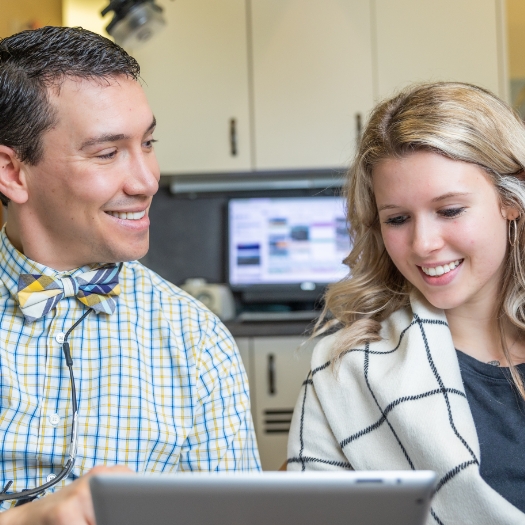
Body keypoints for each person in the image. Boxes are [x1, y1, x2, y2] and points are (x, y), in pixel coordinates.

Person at [0, 26, 260, 524]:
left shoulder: (196, 339)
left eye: (148, 143)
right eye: (107, 153)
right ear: (13, 173)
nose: (146, 181)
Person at [287, 82, 525, 524]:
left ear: (510, 200)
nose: (423, 244)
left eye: (450, 210)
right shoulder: (345, 374)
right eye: (397, 219)